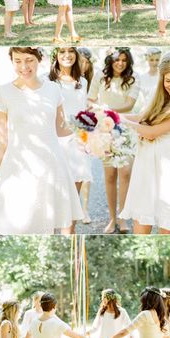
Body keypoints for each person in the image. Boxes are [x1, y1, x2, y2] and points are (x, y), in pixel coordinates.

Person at [0, 46, 84, 234]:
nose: (23, 66)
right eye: (17, 61)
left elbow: (60, 128)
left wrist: (88, 131)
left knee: (46, 225)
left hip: (51, 166)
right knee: (17, 223)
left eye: (29, 60)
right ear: (12, 61)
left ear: (39, 59)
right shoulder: (4, 92)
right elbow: (0, 138)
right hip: (19, 166)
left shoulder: (53, 89)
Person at [120, 51, 170, 235]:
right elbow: (141, 118)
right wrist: (109, 115)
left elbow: (153, 132)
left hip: (169, 166)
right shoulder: (160, 98)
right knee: (141, 220)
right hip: (146, 162)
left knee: (167, 224)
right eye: (168, 80)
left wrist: (121, 121)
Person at [88, 48, 140, 234]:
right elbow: (90, 100)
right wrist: (100, 112)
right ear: (110, 60)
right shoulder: (99, 77)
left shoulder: (134, 78)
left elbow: (129, 105)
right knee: (110, 176)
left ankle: (123, 218)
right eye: (117, 59)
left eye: (124, 60)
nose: (120, 63)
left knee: (125, 173)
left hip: (125, 128)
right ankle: (111, 218)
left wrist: (109, 110)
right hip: (105, 129)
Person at [49, 46, 93, 192]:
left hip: (78, 139)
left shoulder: (83, 82)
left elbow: (81, 110)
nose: (67, 55)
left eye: (71, 51)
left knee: (76, 185)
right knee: (57, 186)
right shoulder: (48, 81)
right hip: (55, 138)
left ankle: (74, 215)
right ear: (56, 55)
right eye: (62, 51)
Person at [78, 46, 94, 223]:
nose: (83, 65)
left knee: (85, 169)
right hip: (68, 129)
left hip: (86, 129)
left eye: (86, 63)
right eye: (81, 61)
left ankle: (84, 209)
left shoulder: (89, 82)